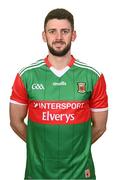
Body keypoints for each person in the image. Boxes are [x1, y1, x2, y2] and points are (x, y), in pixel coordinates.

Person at [10, 8, 108, 179]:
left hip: (80, 173)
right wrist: (39, 148)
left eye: (65, 31)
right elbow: (15, 122)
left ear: (74, 35)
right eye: (52, 31)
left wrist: (76, 150)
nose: (58, 38)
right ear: (44, 36)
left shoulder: (93, 76)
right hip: (39, 173)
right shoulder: (26, 76)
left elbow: (99, 127)